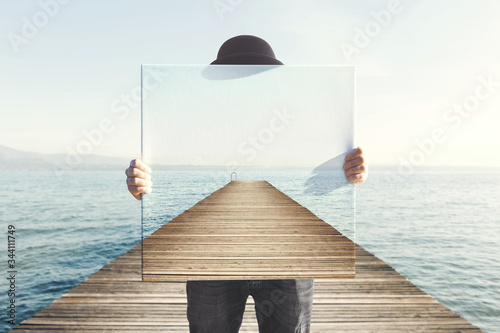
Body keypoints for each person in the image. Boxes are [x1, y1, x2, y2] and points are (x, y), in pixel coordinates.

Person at [125, 35, 368, 333]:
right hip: (211, 257)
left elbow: (317, 184)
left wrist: (348, 177)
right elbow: (173, 186)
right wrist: (145, 190)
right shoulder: (195, 125)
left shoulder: (301, 122)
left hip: (289, 255)